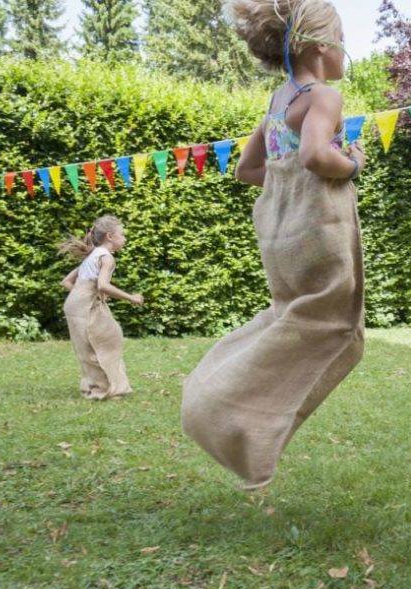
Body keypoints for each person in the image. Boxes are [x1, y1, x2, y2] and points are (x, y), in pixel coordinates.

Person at [181, 0, 366, 490]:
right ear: (323, 46)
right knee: (339, 329)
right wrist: (352, 164)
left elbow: (248, 171)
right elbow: (312, 156)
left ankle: (218, 396)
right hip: (317, 232)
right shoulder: (322, 96)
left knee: (289, 316)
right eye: (343, 38)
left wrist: (290, 177)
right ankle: (244, 424)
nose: (347, 49)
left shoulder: (276, 103)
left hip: (279, 236)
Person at [60, 215, 143, 400]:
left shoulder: (93, 255)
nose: (125, 238)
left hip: (76, 305)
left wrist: (83, 295)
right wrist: (131, 298)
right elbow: (103, 286)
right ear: (110, 237)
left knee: (99, 342)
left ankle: (99, 386)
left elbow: (66, 282)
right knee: (100, 345)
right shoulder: (106, 257)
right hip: (83, 307)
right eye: (122, 234)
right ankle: (103, 390)